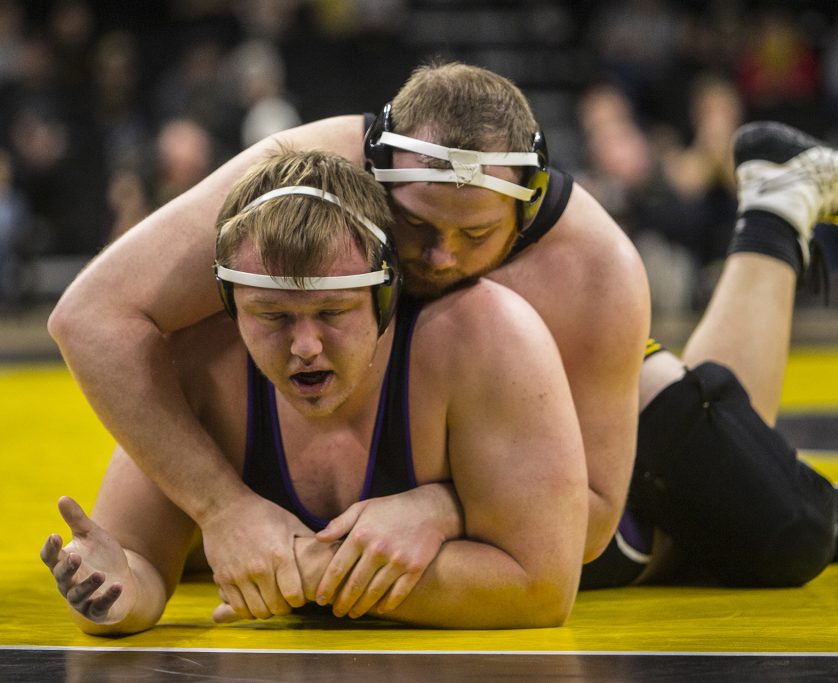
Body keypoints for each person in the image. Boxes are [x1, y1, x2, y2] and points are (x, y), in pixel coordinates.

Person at [48, 62, 838, 621]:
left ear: (524, 207)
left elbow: (595, 519)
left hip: (571, 430)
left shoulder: (595, 270)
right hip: (435, 427)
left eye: (475, 236)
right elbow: (94, 314)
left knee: (775, 526)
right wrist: (220, 508)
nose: (441, 257)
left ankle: (774, 211)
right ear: (375, 177)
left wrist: (442, 510)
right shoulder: (303, 182)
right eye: (414, 232)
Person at [40, 148, 589, 634]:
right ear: (230, 308)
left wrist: (301, 571)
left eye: (332, 312)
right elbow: (139, 565)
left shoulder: (487, 337)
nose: (304, 344)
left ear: (384, 297)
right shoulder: (199, 363)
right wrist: (113, 593)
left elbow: (540, 587)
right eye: (271, 316)